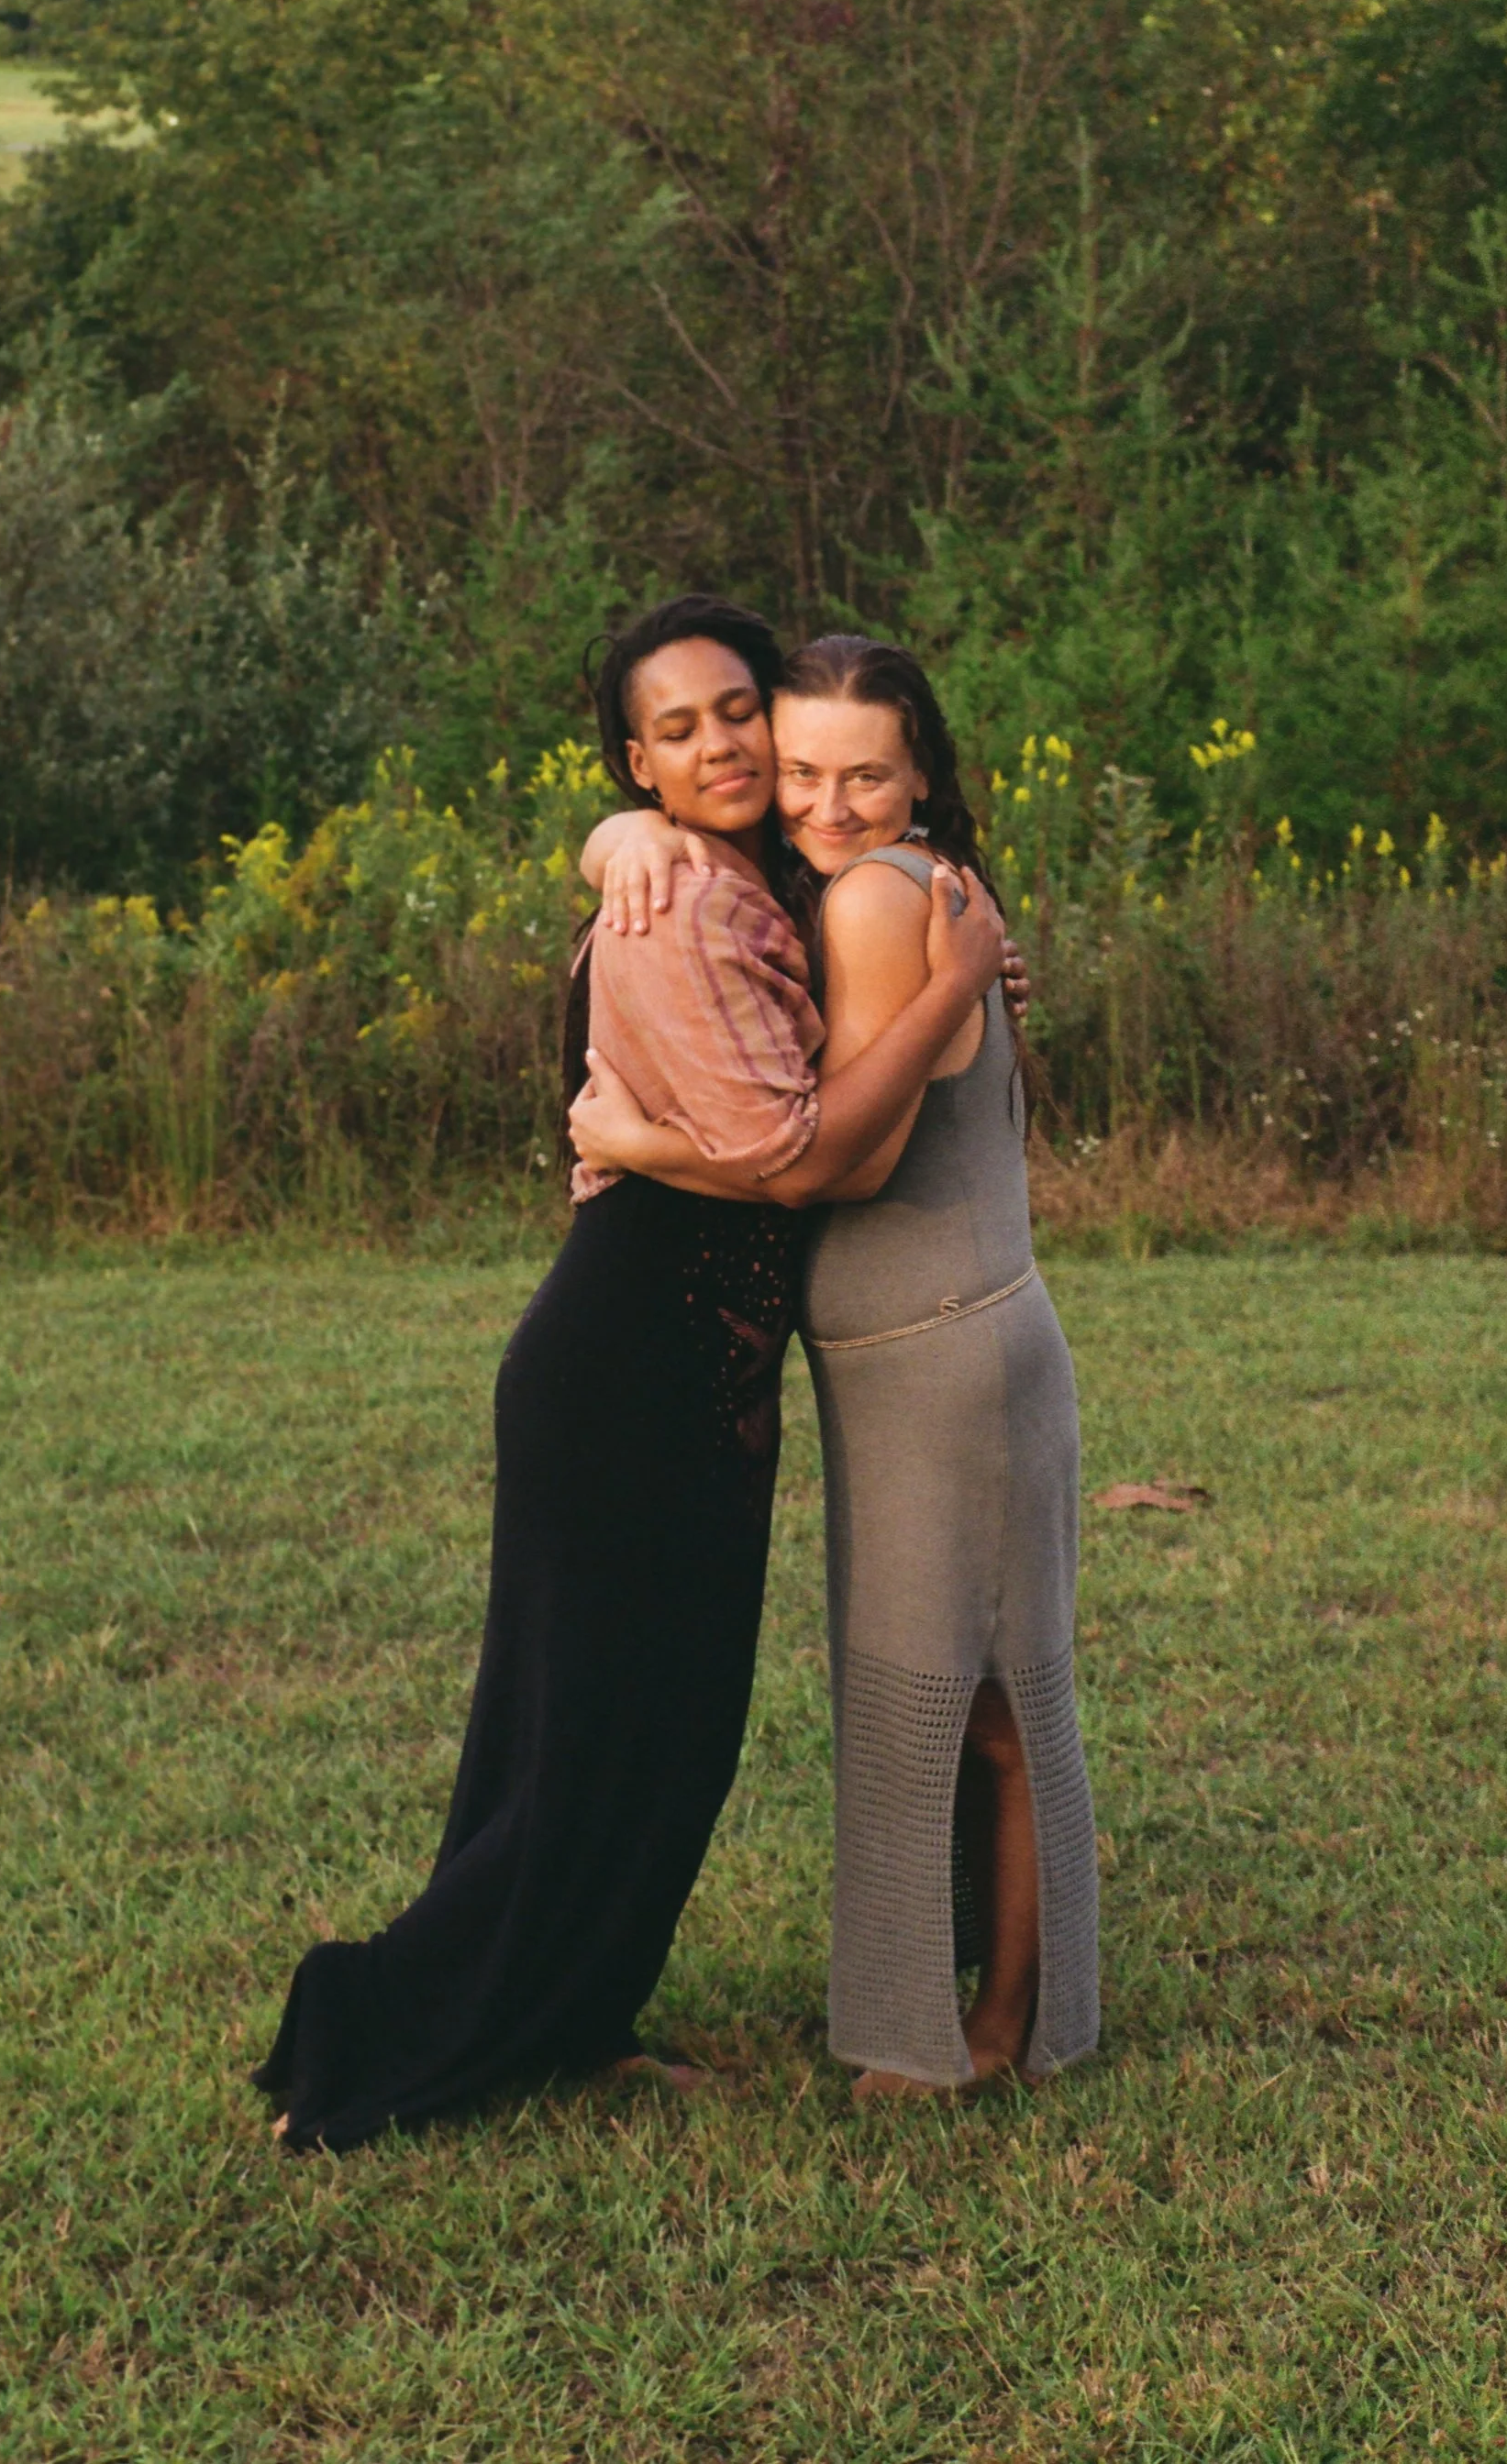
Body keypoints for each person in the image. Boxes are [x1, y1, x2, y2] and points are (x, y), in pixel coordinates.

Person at [254, 594, 1007, 2154]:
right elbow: (785, 1156)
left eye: (741, 711)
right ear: (634, 760)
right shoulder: (674, 898)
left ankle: (574, 2018)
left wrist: (623, 850)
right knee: (593, 1731)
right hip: (625, 1363)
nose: (726, 746)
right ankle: (385, 2019)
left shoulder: (738, 877)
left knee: (656, 1736)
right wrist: (950, 982)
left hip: (697, 1359)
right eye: (679, 731)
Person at [572, 633, 1098, 2097]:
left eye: (865, 772)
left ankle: (990, 2035)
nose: (826, 801)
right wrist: (623, 832)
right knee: (956, 1687)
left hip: (947, 1354)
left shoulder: (878, 897)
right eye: (801, 769)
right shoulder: (891, 887)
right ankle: (982, 2012)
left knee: (977, 1704)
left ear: (920, 770)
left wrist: (635, 1143)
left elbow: (827, 1168)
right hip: (922, 1350)